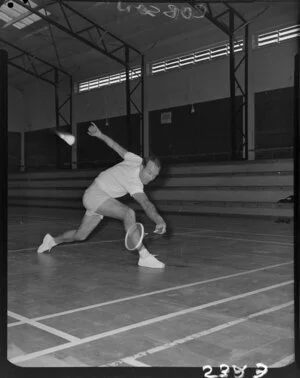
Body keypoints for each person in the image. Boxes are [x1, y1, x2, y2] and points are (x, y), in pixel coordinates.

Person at [37, 122, 167, 269]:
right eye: (149, 172)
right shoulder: (134, 180)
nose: (150, 177)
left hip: (99, 197)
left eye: (154, 175)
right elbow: (146, 203)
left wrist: (99, 135)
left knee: (80, 235)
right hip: (96, 194)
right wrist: (159, 219)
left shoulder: (136, 160)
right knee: (128, 213)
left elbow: (115, 146)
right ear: (142, 167)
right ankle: (144, 256)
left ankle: (52, 241)